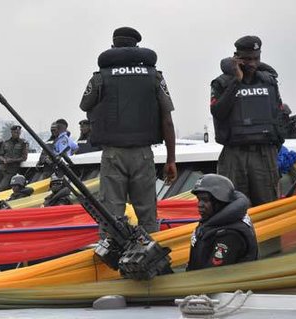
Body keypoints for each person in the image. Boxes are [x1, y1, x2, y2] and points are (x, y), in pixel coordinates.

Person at [79, 26, 177, 233]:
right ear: (136, 46)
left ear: (114, 46)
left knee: (111, 216)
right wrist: (171, 160)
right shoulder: (154, 76)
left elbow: (85, 105)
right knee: (148, 215)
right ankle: (150, 257)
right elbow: (167, 120)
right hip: (143, 154)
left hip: (113, 154)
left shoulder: (101, 77)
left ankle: (112, 257)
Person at [210, 36, 286, 207]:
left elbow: (278, 116)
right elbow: (218, 112)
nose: (252, 63)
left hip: (264, 154)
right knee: (232, 208)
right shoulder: (222, 83)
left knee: (269, 210)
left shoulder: (268, 81)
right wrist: (236, 80)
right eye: (247, 59)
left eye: (256, 58)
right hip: (234, 155)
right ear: (236, 58)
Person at [187, 174, 258, 271]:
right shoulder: (214, 222)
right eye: (199, 200)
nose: (200, 205)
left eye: (205, 200)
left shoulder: (229, 235)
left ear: (219, 201)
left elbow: (212, 275)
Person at [0, 125, 29, 192]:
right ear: (12, 132)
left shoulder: (23, 143)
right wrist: (4, 159)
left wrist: (12, 160)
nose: (17, 134)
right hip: (1, 168)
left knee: (1, 189)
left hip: (12, 170)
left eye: (18, 133)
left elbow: (24, 157)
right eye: (15, 132)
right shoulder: (6, 143)